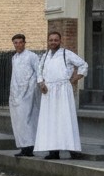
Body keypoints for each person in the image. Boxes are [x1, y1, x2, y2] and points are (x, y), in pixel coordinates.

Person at [35, 31, 88, 159]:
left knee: (66, 118)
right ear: (48, 41)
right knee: (51, 120)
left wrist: (75, 79)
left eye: (55, 40)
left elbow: (83, 65)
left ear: (60, 41)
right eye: (51, 40)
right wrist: (41, 83)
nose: (53, 42)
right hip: (49, 91)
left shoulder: (66, 54)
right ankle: (53, 151)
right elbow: (39, 71)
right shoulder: (45, 56)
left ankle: (72, 149)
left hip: (63, 90)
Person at [9, 33, 39, 157]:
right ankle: (23, 146)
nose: (18, 45)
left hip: (28, 92)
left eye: (20, 42)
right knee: (18, 121)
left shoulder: (32, 56)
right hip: (16, 93)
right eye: (15, 43)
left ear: (24, 43)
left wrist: (31, 87)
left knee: (27, 119)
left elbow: (39, 72)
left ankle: (29, 147)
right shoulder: (14, 58)